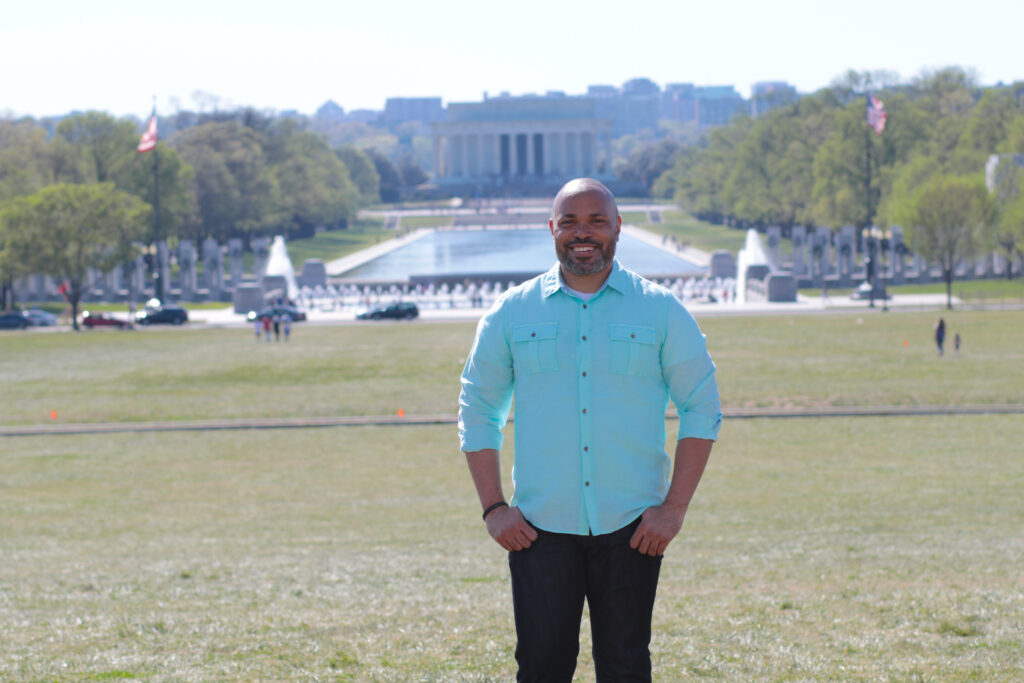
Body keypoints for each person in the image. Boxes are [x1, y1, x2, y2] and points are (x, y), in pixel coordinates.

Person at [459, 178, 722, 681]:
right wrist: (493, 507)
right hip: (537, 529)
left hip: (633, 529)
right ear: (551, 229)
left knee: (625, 667)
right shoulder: (512, 312)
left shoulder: (660, 309)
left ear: (618, 226)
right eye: (570, 221)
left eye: (597, 220)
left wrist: (674, 509)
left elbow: (702, 407)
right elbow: (478, 409)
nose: (584, 233)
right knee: (541, 668)